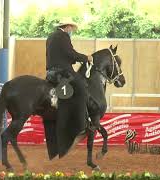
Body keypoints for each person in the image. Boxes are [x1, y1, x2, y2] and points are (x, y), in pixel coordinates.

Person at [45, 17, 93, 155]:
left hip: (50, 72)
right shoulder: (63, 36)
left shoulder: (51, 36)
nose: (72, 30)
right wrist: (86, 58)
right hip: (62, 71)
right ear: (67, 27)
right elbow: (70, 54)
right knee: (82, 88)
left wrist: (75, 58)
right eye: (71, 28)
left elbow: (64, 55)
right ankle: (82, 125)